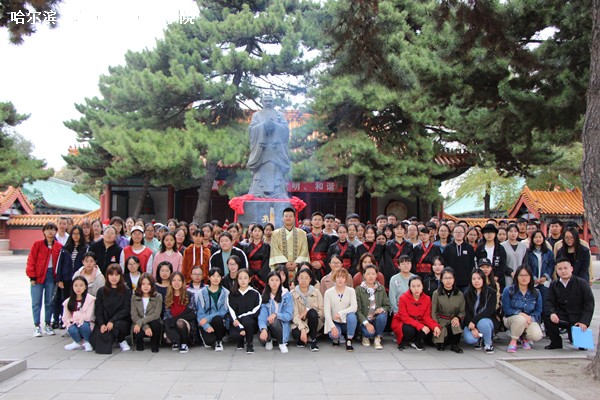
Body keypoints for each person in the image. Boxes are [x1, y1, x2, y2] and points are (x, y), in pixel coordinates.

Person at [543, 258, 595, 350]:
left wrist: (584, 321)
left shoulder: (582, 283)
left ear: (571, 268)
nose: (563, 271)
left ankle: (577, 338)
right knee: (547, 316)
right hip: (561, 316)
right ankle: (556, 342)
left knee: (580, 344)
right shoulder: (554, 284)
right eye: (560, 269)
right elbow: (549, 301)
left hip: (577, 318)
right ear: (556, 270)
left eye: (565, 268)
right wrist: (552, 313)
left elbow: (589, 303)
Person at [247, 93, 291, 198]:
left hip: (275, 150)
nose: (268, 103)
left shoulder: (280, 115)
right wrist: (264, 125)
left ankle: (278, 193)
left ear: (273, 102)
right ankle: (258, 193)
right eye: (266, 101)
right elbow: (252, 130)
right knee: (259, 175)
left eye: (270, 101)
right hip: (261, 150)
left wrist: (274, 125)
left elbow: (285, 130)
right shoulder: (256, 115)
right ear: (262, 102)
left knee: (277, 173)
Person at [27, 222, 63, 337]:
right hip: (38, 276)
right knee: (36, 302)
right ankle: (37, 325)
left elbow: (60, 263)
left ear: (56, 231)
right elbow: (31, 260)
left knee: (50, 301)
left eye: (53, 229)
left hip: (51, 276)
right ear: (43, 231)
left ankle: (48, 324)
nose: (50, 232)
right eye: (48, 229)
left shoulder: (59, 246)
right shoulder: (37, 244)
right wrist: (32, 276)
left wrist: (59, 278)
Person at [91, 264, 132, 354]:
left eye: (117, 275)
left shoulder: (126, 290)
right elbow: (98, 310)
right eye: (111, 274)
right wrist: (102, 323)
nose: (114, 277)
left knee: (120, 325)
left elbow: (126, 309)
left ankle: (121, 340)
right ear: (107, 276)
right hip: (105, 320)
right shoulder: (101, 291)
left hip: (120, 320)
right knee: (94, 343)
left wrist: (112, 321)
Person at [502, 265, 543, 353]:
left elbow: (538, 310)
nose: (524, 278)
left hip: (529, 320)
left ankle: (524, 337)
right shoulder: (509, 290)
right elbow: (506, 310)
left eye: (526, 275)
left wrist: (530, 318)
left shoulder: (536, 292)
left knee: (536, 335)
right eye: (521, 275)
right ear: (516, 277)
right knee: (520, 319)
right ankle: (513, 340)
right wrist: (521, 314)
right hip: (511, 318)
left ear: (530, 277)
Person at [392, 276, 441, 351]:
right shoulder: (403, 298)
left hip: (420, 321)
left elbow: (426, 317)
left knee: (428, 328)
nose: (416, 289)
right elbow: (404, 317)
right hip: (404, 322)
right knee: (409, 330)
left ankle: (416, 341)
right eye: (413, 286)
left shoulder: (427, 299)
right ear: (409, 287)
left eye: (418, 286)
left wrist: (435, 326)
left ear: (422, 286)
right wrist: (420, 326)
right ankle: (403, 342)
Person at [54, 225, 88, 329]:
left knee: (78, 300)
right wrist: (59, 279)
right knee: (65, 300)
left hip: (79, 279)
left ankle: (77, 320)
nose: (76, 236)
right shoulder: (65, 248)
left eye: (78, 234)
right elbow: (59, 264)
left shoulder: (85, 248)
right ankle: (65, 320)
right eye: (74, 234)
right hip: (66, 278)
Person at [355, 265, 391, 350]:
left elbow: (387, 305)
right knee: (368, 333)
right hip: (364, 320)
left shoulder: (381, 288)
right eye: (368, 274)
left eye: (373, 274)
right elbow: (357, 310)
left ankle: (378, 338)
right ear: (364, 275)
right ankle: (365, 335)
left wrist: (381, 309)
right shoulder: (359, 289)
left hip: (375, 319)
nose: (370, 276)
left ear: (376, 275)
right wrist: (367, 324)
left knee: (382, 316)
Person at [462, 269, 497, 354]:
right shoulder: (467, 293)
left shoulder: (491, 292)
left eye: (479, 278)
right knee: (470, 339)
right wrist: (472, 327)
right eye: (473, 279)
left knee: (482, 323)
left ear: (483, 279)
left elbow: (489, 310)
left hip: (486, 321)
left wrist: (474, 322)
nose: (476, 281)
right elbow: (466, 312)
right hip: (471, 323)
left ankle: (488, 343)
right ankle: (480, 338)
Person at [258, 271, 294, 353]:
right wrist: (263, 329)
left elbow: (288, 315)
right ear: (268, 282)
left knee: (274, 321)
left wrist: (276, 314)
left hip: (281, 326)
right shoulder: (265, 295)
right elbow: (262, 316)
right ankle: (269, 340)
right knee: (262, 337)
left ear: (280, 282)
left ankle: (281, 343)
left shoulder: (286, 295)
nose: (274, 283)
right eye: (272, 280)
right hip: (268, 325)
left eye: (277, 280)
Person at [431, 268, 465, 353]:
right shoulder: (436, 293)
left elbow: (462, 311)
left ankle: (454, 345)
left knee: (455, 326)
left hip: (453, 320)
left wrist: (457, 318)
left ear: (454, 279)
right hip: (440, 320)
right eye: (445, 278)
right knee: (441, 344)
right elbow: (433, 311)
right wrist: (435, 325)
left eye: (450, 278)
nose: (448, 281)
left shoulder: (459, 294)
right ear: (441, 279)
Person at [228, 269, 261, 354]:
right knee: (235, 335)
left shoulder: (255, 293)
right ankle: (240, 340)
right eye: (240, 278)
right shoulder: (232, 294)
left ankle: (249, 344)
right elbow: (231, 310)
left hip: (250, 322)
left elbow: (256, 311)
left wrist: (239, 318)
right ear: (237, 279)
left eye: (245, 278)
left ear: (249, 279)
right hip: (236, 322)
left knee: (247, 321)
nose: (243, 280)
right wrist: (239, 326)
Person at [163, 271, 198, 354]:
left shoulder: (190, 295)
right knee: (166, 330)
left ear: (183, 282)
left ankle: (184, 344)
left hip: (186, 324)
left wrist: (175, 319)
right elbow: (167, 315)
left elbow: (191, 313)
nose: (176, 283)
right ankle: (176, 341)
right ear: (170, 282)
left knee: (180, 322)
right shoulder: (167, 297)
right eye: (174, 280)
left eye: (179, 280)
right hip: (172, 324)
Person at [323, 268, 358, 351]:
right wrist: (332, 327)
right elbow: (326, 312)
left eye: (343, 277)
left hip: (346, 321)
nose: (340, 279)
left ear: (346, 279)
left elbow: (354, 307)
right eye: (338, 277)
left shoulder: (351, 291)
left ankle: (349, 339)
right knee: (334, 335)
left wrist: (340, 313)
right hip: (335, 321)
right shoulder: (328, 292)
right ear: (334, 278)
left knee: (352, 316)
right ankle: (337, 338)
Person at [197, 268, 230, 351]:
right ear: (209, 277)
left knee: (218, 318)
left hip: (220, 322)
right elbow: (200, 312)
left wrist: (208, 318)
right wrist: (206, 325)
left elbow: (223, 311)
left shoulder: (226, 293)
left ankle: (219, 341)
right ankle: (209, 336)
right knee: (209, 342)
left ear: (221, 278)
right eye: (213, 276)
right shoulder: (201, 293)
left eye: (218, 276)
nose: (216, 278)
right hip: (206, 322)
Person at [290, 268, 324, 351]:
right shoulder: (292, 294)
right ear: (297, 278)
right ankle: (303, 337)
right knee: (296, 333)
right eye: (301, 278)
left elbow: (321, 311)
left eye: (306, 278)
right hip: (299, 322)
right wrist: (303, 329)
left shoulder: (316, 292)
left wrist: (307, 311)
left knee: (312, 313)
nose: (304, 280)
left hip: (314, 321)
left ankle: (313, 340)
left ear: (310, 279)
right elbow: (294, 315)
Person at [269, 208, 310, 274]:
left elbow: (304, 250)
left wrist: (296, 263)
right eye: (286, 216)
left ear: (294, 218)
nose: (288, 218)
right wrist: (285, 263)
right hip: (281, 268)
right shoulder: (275, 234)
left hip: (297, 267)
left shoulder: (302, 233)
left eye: (290, 216)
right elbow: (275, 250)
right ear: (282, 218)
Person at [130, 273, 163, 353]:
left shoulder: (158, 296)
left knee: (156, 324)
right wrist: (145, 327)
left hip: (152, 321)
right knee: (137, 326)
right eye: (143, 284)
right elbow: (134, 316)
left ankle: (154, 344)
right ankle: (139, 342)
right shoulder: (134, 297)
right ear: (139, 285)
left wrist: (141, 322)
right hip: (139, 322)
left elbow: (156, 314)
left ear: (152, 285)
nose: (146, 286)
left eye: (148, 284)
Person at [62, 276, 95, 352]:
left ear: (85, 287)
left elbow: (88, 316)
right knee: (70, 327)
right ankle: (77, 342)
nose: (78, 288)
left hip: (87, 324)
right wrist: (71, 321)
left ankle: (87, 342)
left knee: (83, 325)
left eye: (81, 285)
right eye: (76, 285)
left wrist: (74, 317)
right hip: (74, 323)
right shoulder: (68, 301)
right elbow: (66, 317)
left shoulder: (91, 299)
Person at [527, 230, 555, 312]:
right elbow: (527, 266)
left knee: (545, 304)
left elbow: (551, 265)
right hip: (532, 282)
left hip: (545, 283)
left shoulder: (549, 252)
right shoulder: (528, 252)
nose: (538, 239)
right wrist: (533, 277)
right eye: (536, 237)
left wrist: (545, 277)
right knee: (533, 304)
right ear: (532, 239)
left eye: (540, 237)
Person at [441, 225, 475, 292]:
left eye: (461, 232)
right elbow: (445, 264)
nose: (458, 234)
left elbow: (472, 264)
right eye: (456, 232)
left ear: (464, 234)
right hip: (451, 282)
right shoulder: (447, 248)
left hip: (466, 282)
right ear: (452, 233)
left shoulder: (469, 248)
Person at [475, 223, 508, 289]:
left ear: (495, 234)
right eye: (486, 232)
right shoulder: (480, 248)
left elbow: (503, 264)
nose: (489, 234)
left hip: (497, 278)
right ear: (483, 234)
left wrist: (497, 276)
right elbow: (477, 263)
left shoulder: (500, 248)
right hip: (482, 278)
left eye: (491, 232)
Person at [244, 224, 271, 292]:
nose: (257, 233)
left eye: (259, 231)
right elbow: (246, 261)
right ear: (251, 233)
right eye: (255, 231)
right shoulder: (246, 246)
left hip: (263, 273)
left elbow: (266, 261)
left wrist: (259, 274)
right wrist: (251, 273)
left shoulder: (266, 246)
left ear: (262, 233)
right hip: (250, 273)